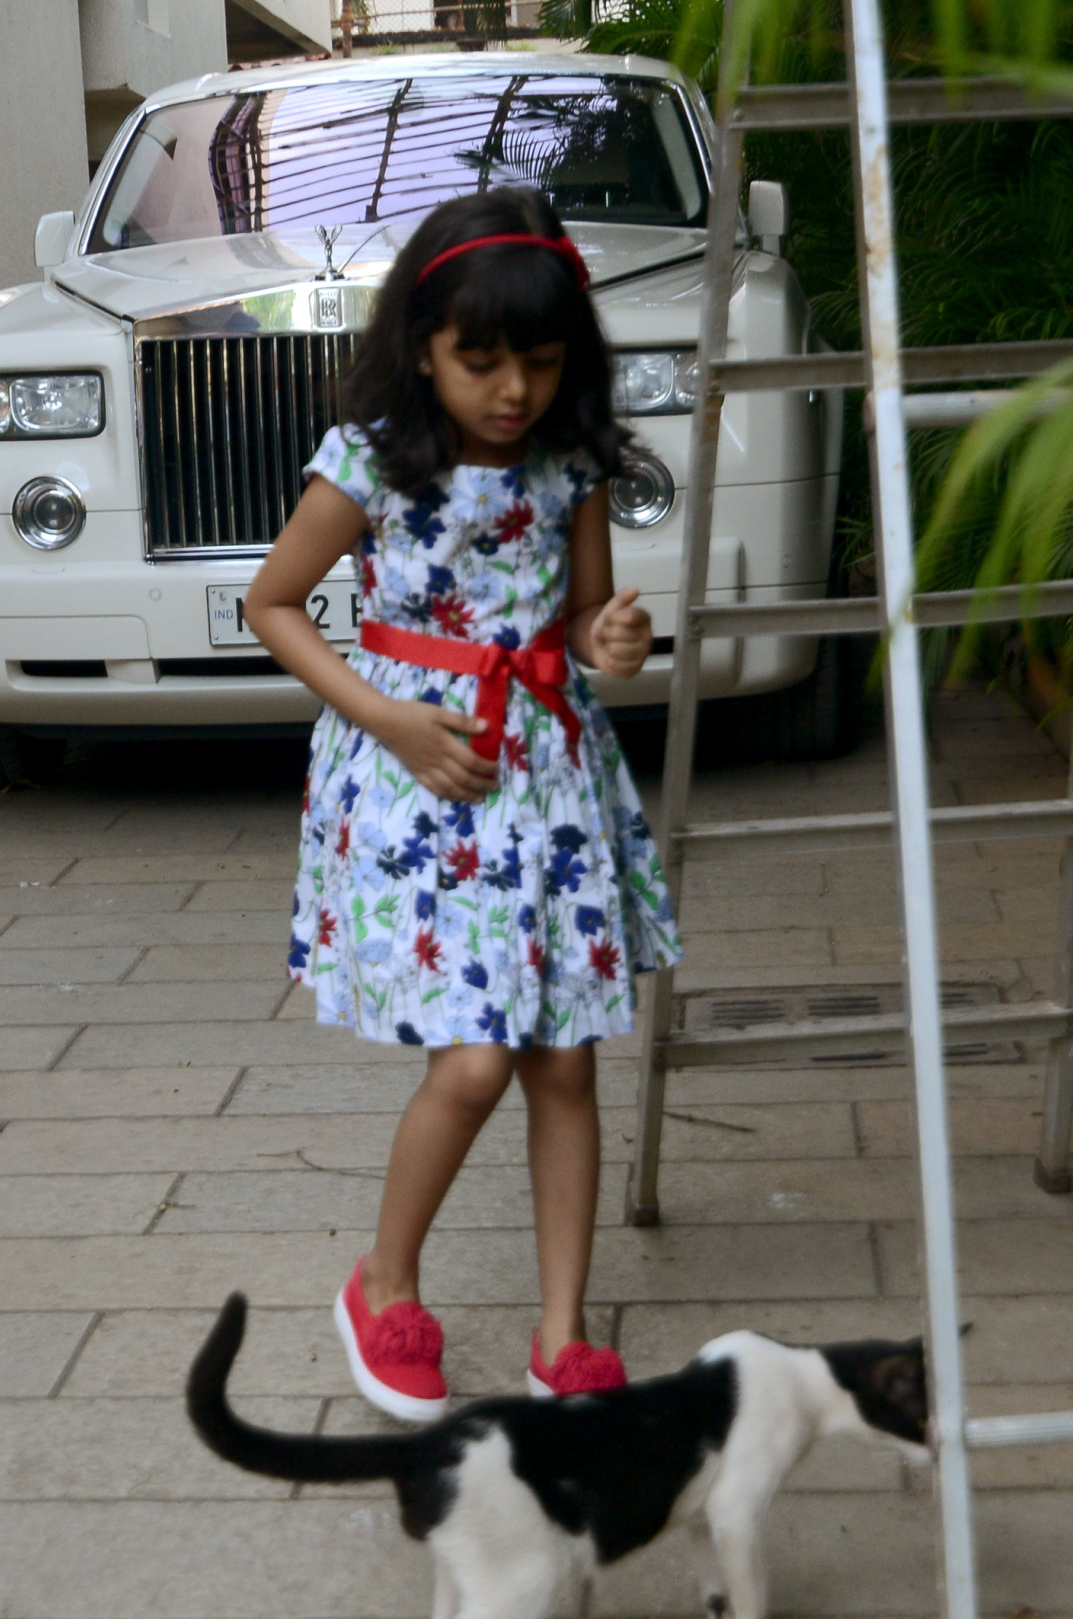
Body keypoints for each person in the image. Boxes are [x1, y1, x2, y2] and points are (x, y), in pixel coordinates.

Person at [244, 187, 681, 1423]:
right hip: (422, 773)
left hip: (543, 778)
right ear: (421, 343)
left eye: (538, 363)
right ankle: (383, 1283)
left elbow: (587, 631)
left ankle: (565, 1338)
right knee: (477, 1060)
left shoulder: (571, 461)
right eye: (477, 361)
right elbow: (273, 604)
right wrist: (383, 716)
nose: (511, 391)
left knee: (561, 1064)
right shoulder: (373, 458)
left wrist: (616, 637)